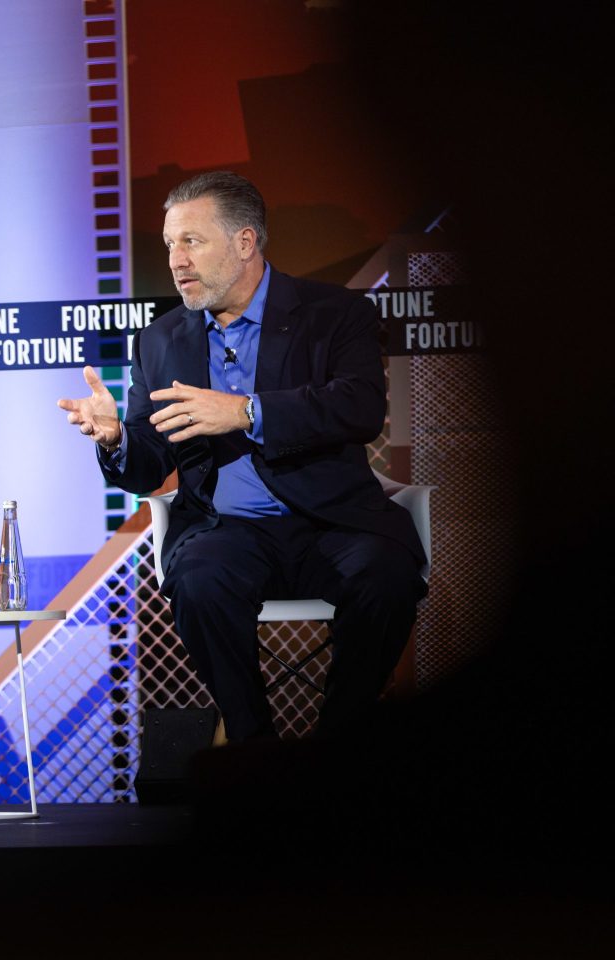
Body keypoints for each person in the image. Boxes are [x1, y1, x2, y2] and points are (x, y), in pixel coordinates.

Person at [57, 171, 425, 742]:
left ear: (245, 241)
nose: (176, 260)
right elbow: (149, 462)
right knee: (199, 582)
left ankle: (339, 743)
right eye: (170, 244)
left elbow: (358, 408)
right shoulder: (160, 340)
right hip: (225, 530)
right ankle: (254, 748)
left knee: (387, 577)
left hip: (332, 521)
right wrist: (115, 439)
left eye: (192, 241)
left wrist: (247, 412)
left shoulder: (334, 314)